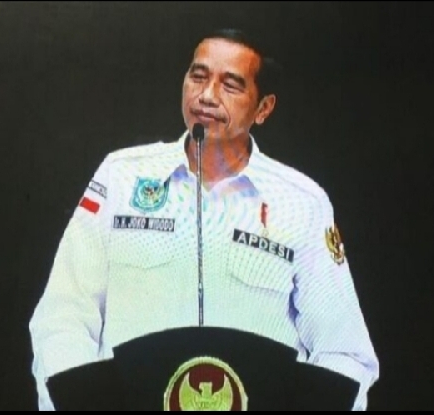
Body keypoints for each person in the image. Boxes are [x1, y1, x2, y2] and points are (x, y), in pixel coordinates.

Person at [29, 28, 379, 411]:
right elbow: (63, 317)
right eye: (198, 76)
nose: (207, 95)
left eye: (230, 85)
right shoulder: (121, 176)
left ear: (263, 108)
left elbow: (344, 353)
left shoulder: (302, 202)